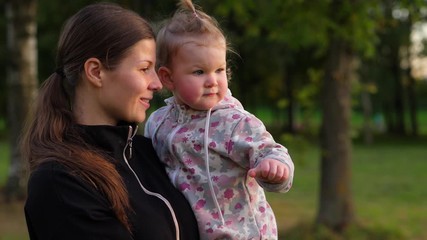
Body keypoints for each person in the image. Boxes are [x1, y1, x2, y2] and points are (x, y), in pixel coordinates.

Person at [21, 3, 200, 240]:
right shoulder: (59, 183)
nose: (157, 83)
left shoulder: (150, 153)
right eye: (144, 69)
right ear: (95, 72)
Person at [144, 0, 295, 239]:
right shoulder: (158, 123)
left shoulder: (233, 122)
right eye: (199, 72)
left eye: (219, 70)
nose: (212, 80)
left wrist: (275, 168)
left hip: (243, 234)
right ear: (168, 78)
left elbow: (271, 151)